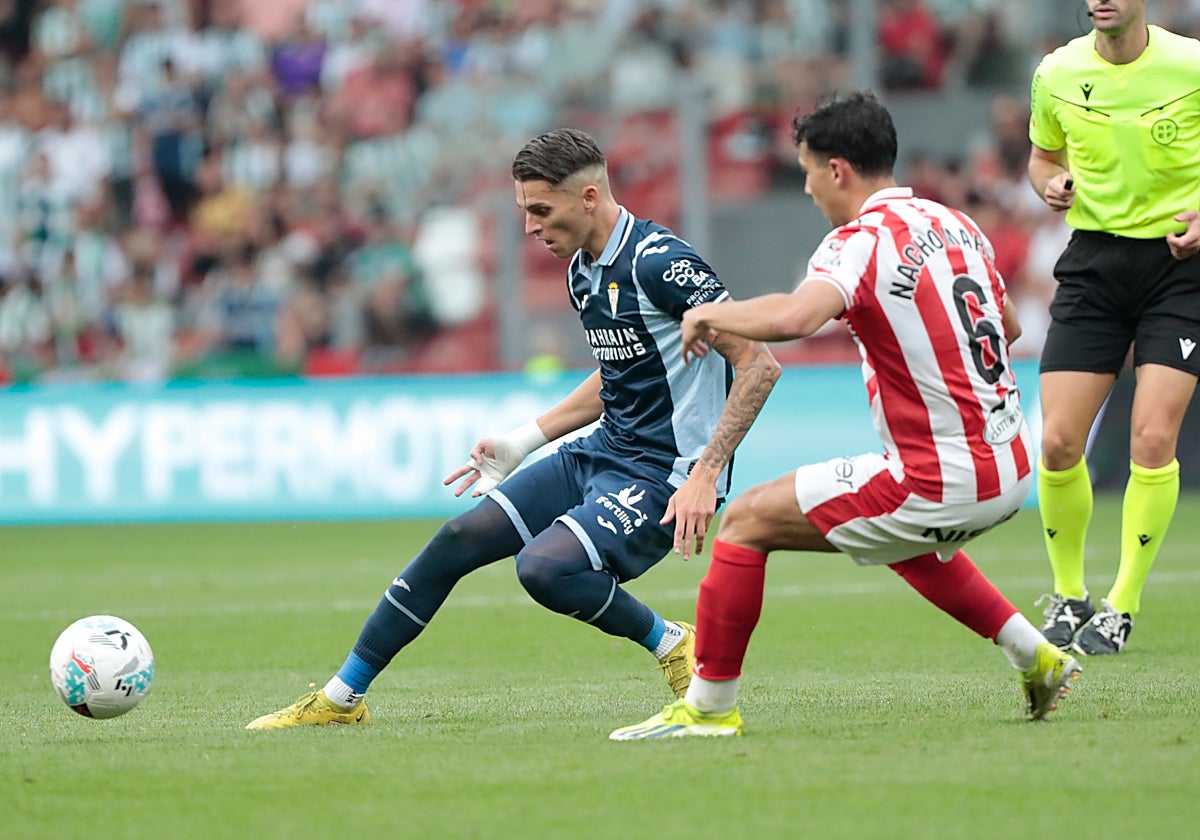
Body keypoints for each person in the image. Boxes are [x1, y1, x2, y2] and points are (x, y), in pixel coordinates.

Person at [246, 127, 781, 728]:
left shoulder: (661, 264)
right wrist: (523, 440)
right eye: (525, 210)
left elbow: (758, 363)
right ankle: (342, 700)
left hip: (664, 475)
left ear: (587, 198)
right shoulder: (583, 269)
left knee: (544, 569)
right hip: (604, 453)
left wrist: (705, 475)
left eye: (540, 210)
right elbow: (617, 378)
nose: (530, 226)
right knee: (457, 539)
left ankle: (671, 643)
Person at [610, 91, 1080, 740]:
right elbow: (1008, 323)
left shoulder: (857, 242)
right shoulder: (955, 224)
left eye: (807, 172)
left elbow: (798, 319)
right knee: (893, 536)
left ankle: (709, 707)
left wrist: (712, 312)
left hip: (942, 478)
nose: (806, 189)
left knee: (745, 521)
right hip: (1011, 464)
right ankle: (1037, 655)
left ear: (838, 170)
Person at [1026, 1, 1200, 656]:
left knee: (1153, 437)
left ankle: (1121, 603)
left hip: (1179, 267)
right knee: (1059, 444)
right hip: (1094, 265)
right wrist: (1053, 182)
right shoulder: (1056, 72)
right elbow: (1042, 158)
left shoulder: (1190, 65)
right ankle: (1069, 594)